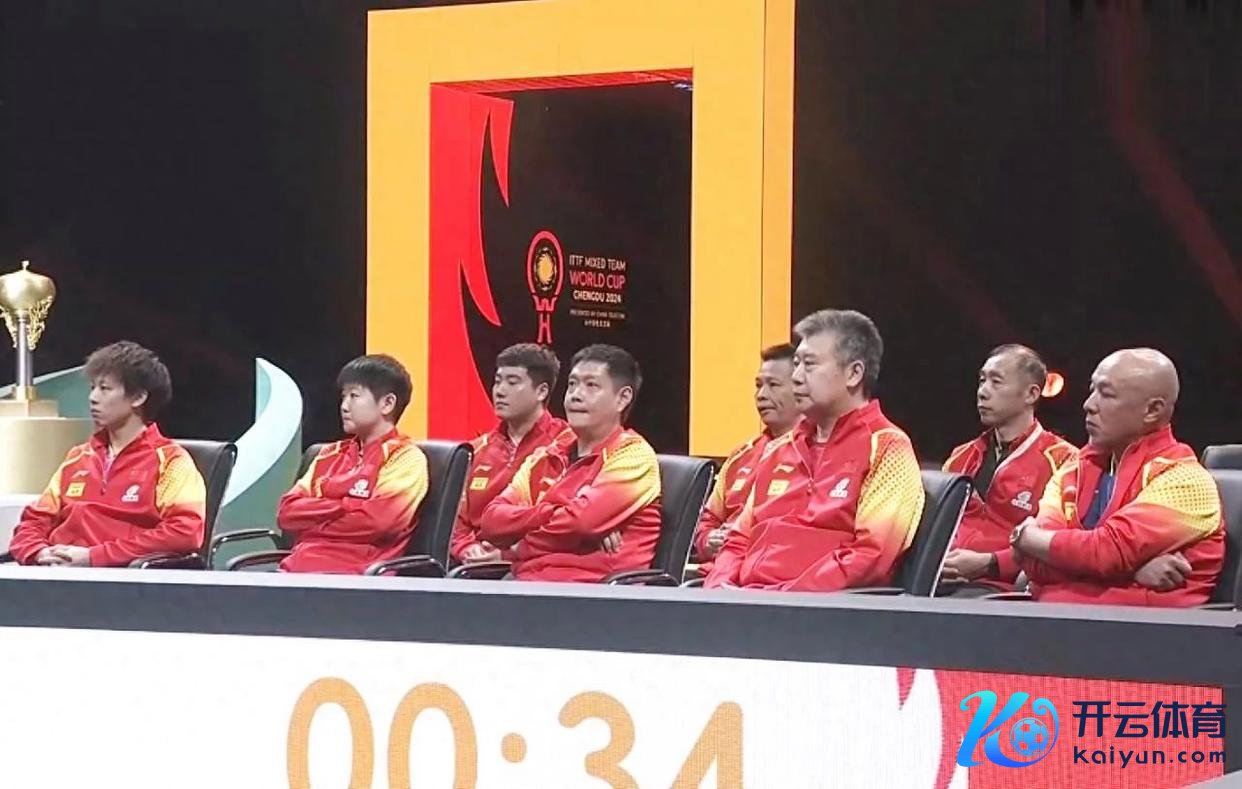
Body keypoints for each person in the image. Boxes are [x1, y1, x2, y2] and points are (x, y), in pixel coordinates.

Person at [704, 309, 925, 591]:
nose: (796, 377)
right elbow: (738, 540)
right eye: (796, 364)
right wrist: (718, 591)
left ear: (854, 373)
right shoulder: (778, 450)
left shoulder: (887, 448)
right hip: (749, 602)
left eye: (809, 365)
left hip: (815, 609)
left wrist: (781, 597)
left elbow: (870, 556)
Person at [1009, 348, 1223, 606]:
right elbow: (1036, 566)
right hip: (1055, 619)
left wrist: (1026, 537)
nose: (1089, 404)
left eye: (1106, 394)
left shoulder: (1186, 481)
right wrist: (1130, 570)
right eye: (1092, 390)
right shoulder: (1071, 471)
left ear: (1152, 410)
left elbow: (1105, 552)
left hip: (1139, 627)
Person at [9, 341, 206, 567]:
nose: (93, 397)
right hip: (55, 574)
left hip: (118, 579)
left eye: (104, 388)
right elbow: (34, 520)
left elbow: (185, 532)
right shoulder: (78, 457)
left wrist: (94, 557)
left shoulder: (171, 461)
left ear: (138, 397)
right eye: (92, 387)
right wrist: (38, 552)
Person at [478, 344, 661, 582]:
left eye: (591, 385)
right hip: (526, 581)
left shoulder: (633, 455)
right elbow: (491, 521)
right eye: (572, 384)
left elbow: (580, 522)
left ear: (622, 398)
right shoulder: (551, 452)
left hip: (591, 591)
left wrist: (518, 544)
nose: (576, 394)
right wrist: (556, 514)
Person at [938, 345, 1076, 594]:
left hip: (1001, 589)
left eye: (996, 381)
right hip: (941, 579)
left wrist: (991, 563)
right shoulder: (961, 456)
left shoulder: (1064, 460)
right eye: (982, 380)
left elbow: (1059, 545)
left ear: (1031, 394)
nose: (982, 392)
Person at [276, 354, 428, 574]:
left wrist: (312, 524)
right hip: (296, 568)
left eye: (354, 396)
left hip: (355, 576)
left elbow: (377, 522)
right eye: (343, 396)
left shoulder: (405, 458)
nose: (344, 406)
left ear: (387, 403)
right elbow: (287, 512)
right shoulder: (328, 454)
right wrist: (347, 506)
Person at [449, 343, 570, 565]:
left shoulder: (567, 445)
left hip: (535, 562)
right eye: (498, 381)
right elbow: (456, 518)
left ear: (541, 391)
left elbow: (568, 519)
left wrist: (512, 554)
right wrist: (467, 548)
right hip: (472, 566)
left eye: (512, 382)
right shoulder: (476, 449)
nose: (500, 391)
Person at [692, 343, 799, 576]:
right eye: (759, 385)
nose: (762, 395)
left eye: (773, 385)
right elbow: (706, 520)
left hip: (765, 579)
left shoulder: (813, 456)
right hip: (711, 575)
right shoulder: (741, 456)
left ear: (802, 389)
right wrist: (709, 540)